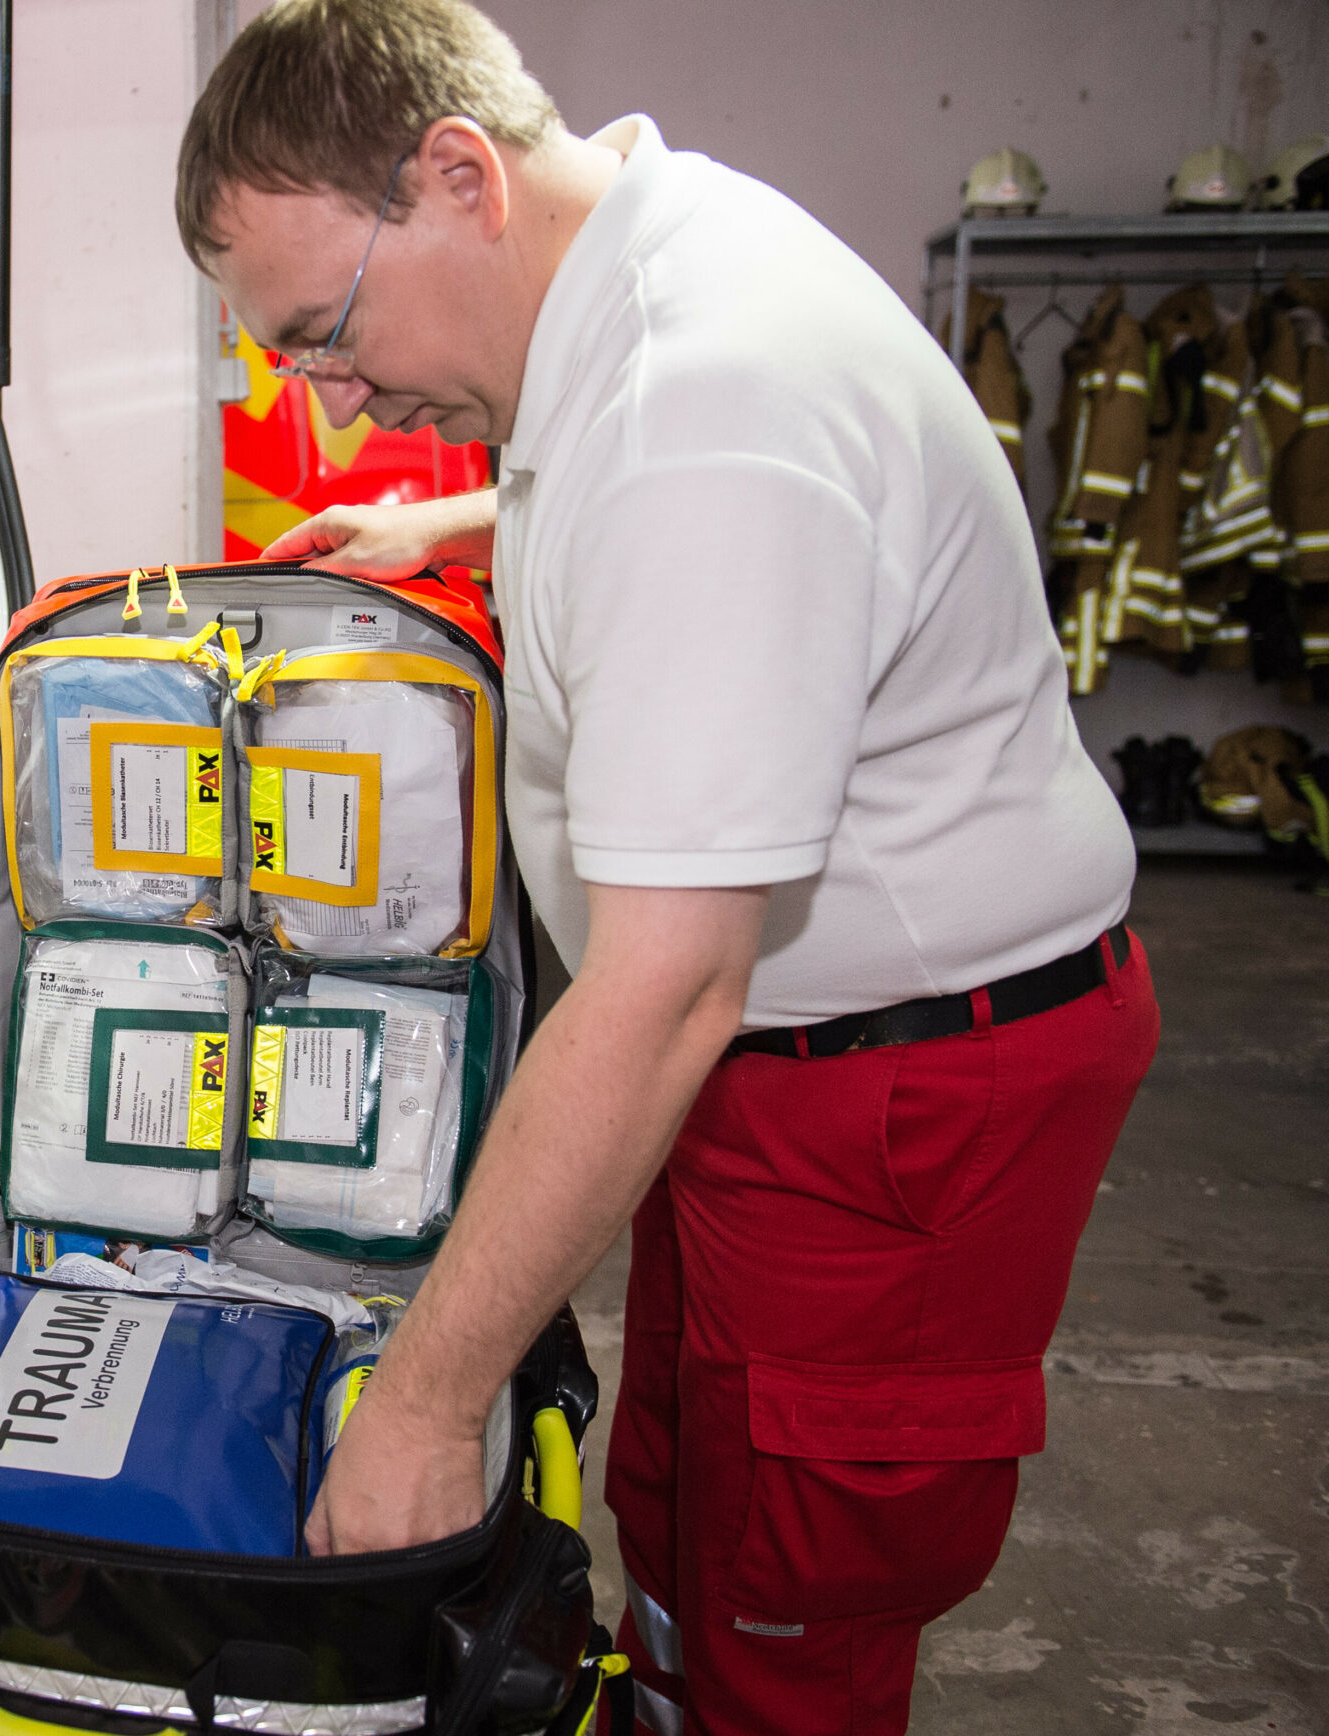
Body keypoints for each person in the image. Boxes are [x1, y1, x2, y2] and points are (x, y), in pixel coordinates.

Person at [173, 4, 1159, 1732]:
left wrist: (414, 1410)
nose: (329, 407)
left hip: (899, 1095)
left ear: (458, 174)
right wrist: (460, 522)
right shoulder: (638, 266)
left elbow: (668, 981)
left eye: (322, 336)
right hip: (787, 1050)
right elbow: (624, 471)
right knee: (689, 1491)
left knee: (801, 1594)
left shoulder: (709, 397)